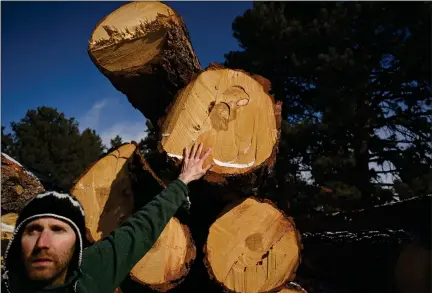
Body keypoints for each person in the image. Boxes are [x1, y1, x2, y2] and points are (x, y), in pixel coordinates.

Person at [2, 143, 212, 293]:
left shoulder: (90, 270)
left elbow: (139, 231)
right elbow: (138, 232)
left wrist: (182, 182)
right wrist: (183, 181)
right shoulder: (88, 273)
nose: (43, 243)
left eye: (57, 230)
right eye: (33, 230)